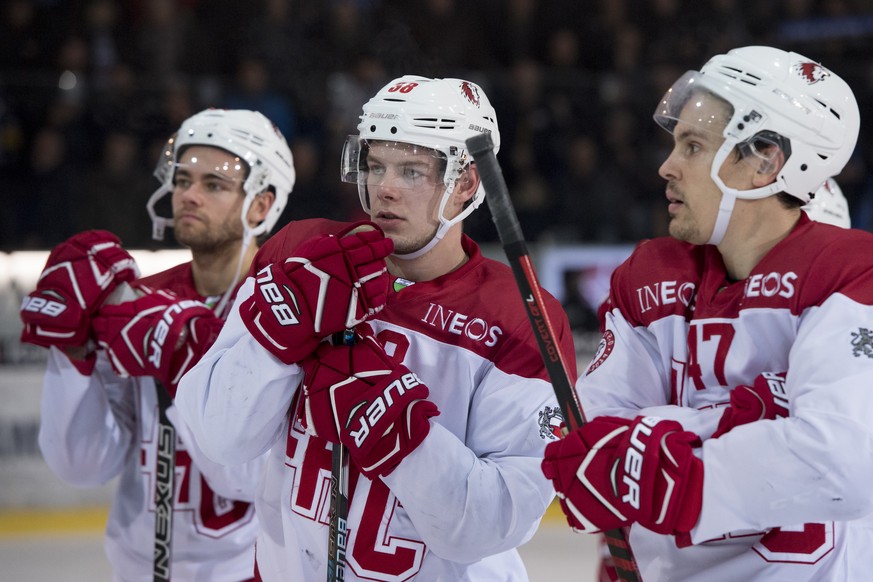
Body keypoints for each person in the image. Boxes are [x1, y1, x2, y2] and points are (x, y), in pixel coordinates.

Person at [174, 76, 576, 581]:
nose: (384, 187)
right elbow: (216, 436)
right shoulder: (300, 255)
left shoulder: (517, 316)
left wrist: (400, 429)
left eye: (412, 170)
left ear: (467, 184)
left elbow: (493, 524)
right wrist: (277, 340)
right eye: (375, 164)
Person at [540, 46, 873, 581]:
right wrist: (755, 413)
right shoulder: (651, 276)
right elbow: (583, 445)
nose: (666, 166)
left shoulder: (852, 274)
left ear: (766, 161)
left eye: (693, 146)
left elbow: (841, 465)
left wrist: (660, 452)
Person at [20, 108, 295, 580]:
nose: (188, 195)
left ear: (261, 204)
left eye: (213, 185)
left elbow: (256, 480)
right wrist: (73, 354)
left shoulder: (289, 314)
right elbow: (84, 466)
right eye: (183, 179)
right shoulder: (144, 300)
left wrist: (186, 357)